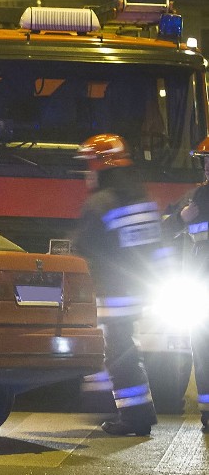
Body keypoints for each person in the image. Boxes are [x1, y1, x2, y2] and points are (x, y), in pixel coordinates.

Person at [72, 134, 164, 436]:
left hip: (114, 293)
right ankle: (140, 412)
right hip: (140, 290)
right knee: (126, 352)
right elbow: (155, 246)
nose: (88, 172)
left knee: (120, 355)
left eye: (89, 165)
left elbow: (84, 248)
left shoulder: (101, 202)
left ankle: (135, 417)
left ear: (100, 166)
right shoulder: (142, 199)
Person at [167, 140, 209, 431]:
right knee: (203, 352)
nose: (207, 166)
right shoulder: (193, 198)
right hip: (200, 292)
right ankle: (208, 413)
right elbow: (162, 229)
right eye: (205, 160)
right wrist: (180, 219)